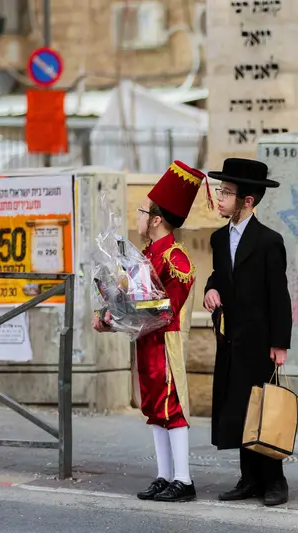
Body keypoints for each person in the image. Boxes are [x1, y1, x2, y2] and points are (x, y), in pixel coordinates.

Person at [93, 160, 212, 502]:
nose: (139, 217)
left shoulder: (176, 259)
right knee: (153, 409)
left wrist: (115, 320)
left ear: (157, 219)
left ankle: (184, 479)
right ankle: (164, 475)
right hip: (147, 342)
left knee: (172, 406)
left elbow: (162, 311)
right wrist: (108, 311)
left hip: (165, 343)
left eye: (143, 211)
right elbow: (133, 302)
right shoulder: (145, 255)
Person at [203, 158, 293, 506]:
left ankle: (275, 481)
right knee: (239, 408)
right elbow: (219, 276)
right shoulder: (218, 238)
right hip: (230, 340)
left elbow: (279, 295)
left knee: (263, 409)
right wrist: (211, 289)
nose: (219, 197)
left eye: (226, 192)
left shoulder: (269, 241)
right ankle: (249, 479)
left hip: (259, 341)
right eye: (220, 190)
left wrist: (280, 343)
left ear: (248, 201)